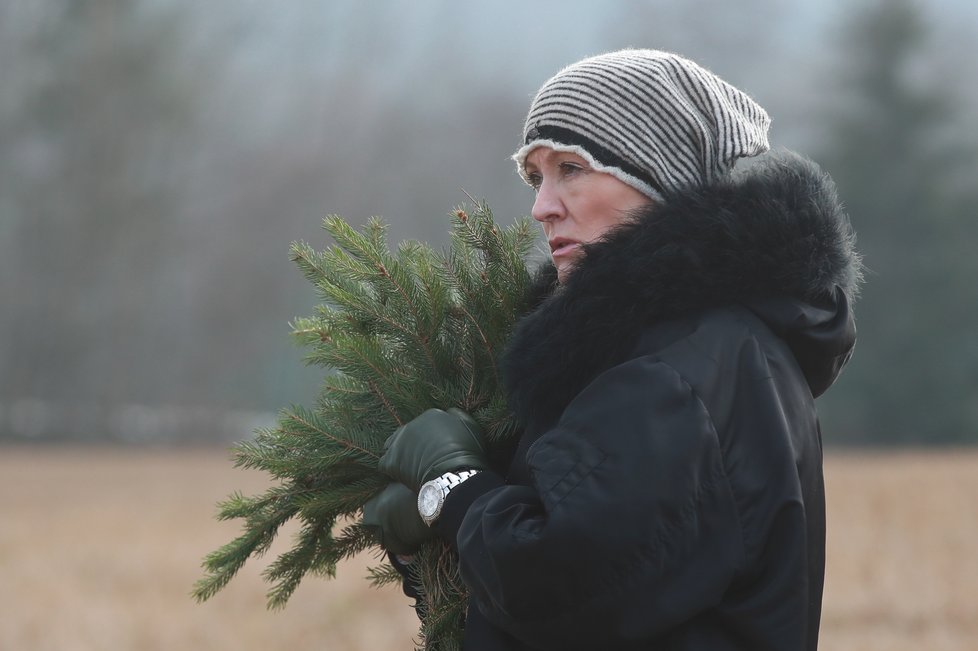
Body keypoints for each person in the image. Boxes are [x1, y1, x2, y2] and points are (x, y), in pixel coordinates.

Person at [363, 49, 862, 650]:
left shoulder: (676, 373)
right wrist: (438, 542)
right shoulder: (686, 345)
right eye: (535, 176)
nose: (542, 207)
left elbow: (556, 589)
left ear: (662, 180)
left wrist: (452, 488)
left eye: (572, 168)